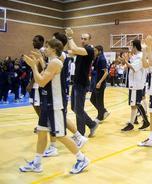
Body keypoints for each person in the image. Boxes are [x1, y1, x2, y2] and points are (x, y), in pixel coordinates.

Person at [19, 39, 89, 174]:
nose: (45, 48)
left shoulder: (55, 62)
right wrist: (39, 60)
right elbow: (47, 72)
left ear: (54, 49)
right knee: (41, 132)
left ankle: (82, 159)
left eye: (47, 46)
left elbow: (42, 81)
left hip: (55, 104)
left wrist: (33, 66)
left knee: (61, 135)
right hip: (47, 103)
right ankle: (37, 163)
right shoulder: (51, 62)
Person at [65, 28, 99, 137]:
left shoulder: (89, 50)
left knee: (78, 109)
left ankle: (80, 133)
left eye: (85, 39)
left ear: (89, 40)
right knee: (74, 108)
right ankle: (92, 124)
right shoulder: (81, 50)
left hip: (82, 84)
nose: (83, 40)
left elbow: (73, 48)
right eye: (82, 38)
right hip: (76, 83)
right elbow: (69, 51)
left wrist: (70, 37)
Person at [120, 39, 150, 131]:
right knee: (134, 104)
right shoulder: (136, 56)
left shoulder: (140, 56)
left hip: (137, 83)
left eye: (131, 46)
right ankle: (133, 123)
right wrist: (125, 61)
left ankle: (144, 121)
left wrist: (125, 61)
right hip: (134, 83)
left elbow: (134, 68)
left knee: (136, 103)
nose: (130, 48)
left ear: (135, 46)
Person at [90, 45, 110, 123]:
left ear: (100, 51)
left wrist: (99, 82)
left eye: (95, 51)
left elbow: (106, 73)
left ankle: (100, 117)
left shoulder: (102, 59)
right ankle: (103, 111)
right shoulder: (98, 58)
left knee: (99, 101)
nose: (94, 52)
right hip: (96, 82)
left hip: (100, 83)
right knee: (92, 99)